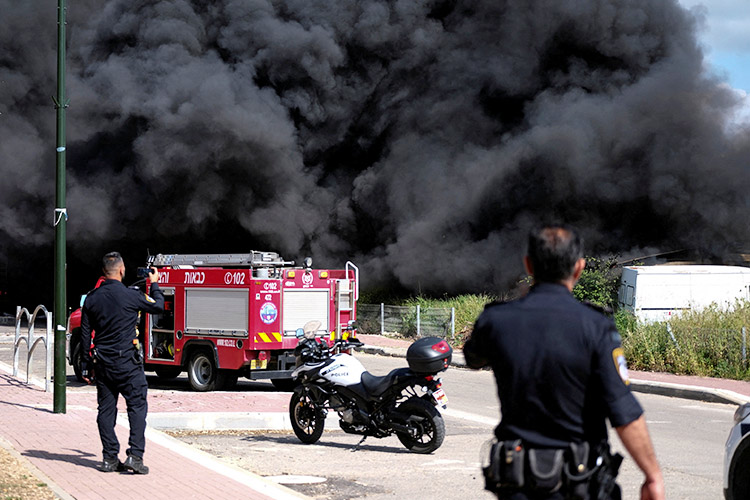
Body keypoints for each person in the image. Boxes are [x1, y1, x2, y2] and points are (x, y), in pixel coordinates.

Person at [464, 226, 664, 500]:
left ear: (528, 265)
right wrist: (652, 476)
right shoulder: (596, 327)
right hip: (579, 484)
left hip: (518, 485)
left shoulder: (496, 321)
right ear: (579, 268)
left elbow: (473, 357)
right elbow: (624, 412)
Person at [80, 252, 164, 474]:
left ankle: (109, 458)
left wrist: (86, 365)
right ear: (120, 270)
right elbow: (158, 306)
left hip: (103, 365)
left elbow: (85, 335)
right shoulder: (131, 295)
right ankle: (135, 457)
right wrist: (154, 284)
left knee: (106, 411)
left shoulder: (91, 298)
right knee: (137, 407)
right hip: (128, 363)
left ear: (103, 272)